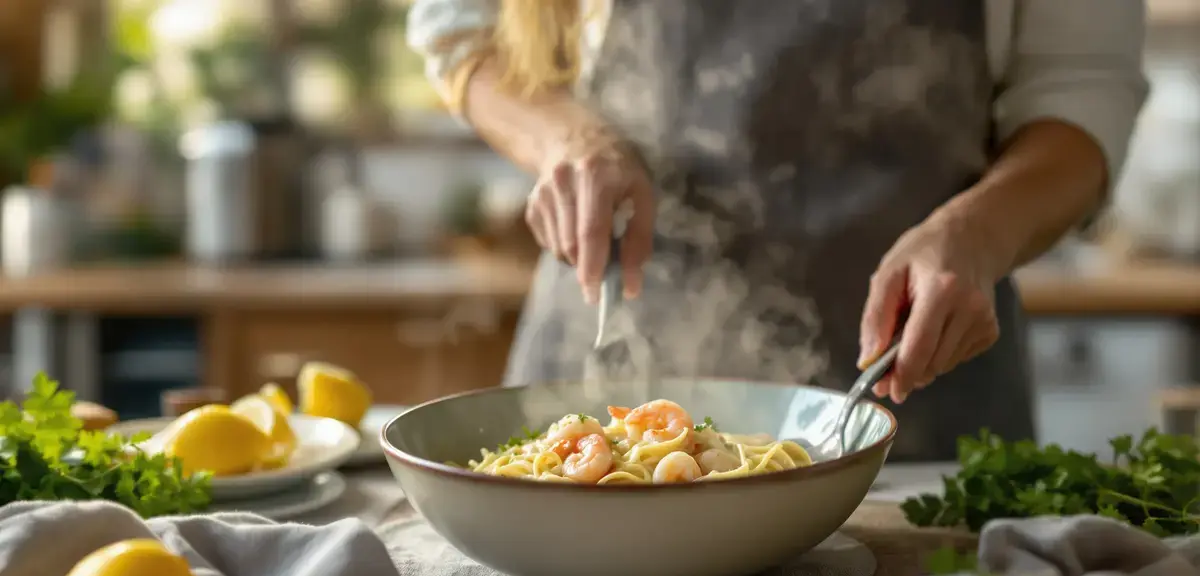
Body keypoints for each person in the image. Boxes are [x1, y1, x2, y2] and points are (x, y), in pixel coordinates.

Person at [407, 0, 1148, 459]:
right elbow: (459, 28)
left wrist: (979, 233)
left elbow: (1082, 90)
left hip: (920, 381)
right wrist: (569, 141)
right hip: (610, 333)